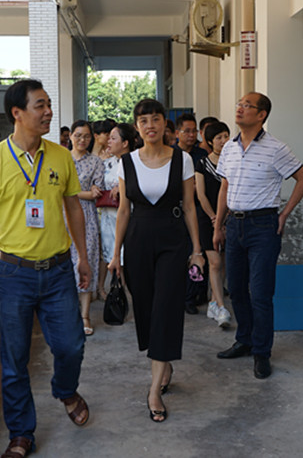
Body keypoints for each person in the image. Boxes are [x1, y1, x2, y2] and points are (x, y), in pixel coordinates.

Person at [0, 79, 92, 458]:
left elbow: (73, 208)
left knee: (71, 344)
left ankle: (65, 389)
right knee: (14, 359)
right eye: (40, 105)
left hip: (58, 271)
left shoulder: (60, 156)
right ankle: (21, 434)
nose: (49, 112)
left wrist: (83, 257)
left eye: (49, 104)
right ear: (17, 113)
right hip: (14, 274)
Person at [108, 98, 205, 423]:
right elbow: (124, 211)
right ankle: (164, 363)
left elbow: (189, 206)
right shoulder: (127, 162)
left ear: (165, 124)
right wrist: (116, 255)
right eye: (143, 121)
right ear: (137, 127)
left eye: (155, 119)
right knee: (147, 309)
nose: (150, 125)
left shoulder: (183, 159)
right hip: (137, 241)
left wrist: (197, 249)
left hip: (173, 241)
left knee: (166, 306)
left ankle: (153, 391)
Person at [213, 92, 303, 380]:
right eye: (239, 104)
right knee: (237, 289)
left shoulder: (276, 148)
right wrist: (218, 226)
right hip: (234, 225)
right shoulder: (229, 148)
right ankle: (244, 340)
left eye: (247, 105)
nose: (240, 108)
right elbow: (224, 187)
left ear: (261, 115)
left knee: (260, 293)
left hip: (263, 227)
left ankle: (262, 352)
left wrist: (284, 214)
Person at [68, 120, 104, 336]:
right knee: (65, 264)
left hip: (87, 216)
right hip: (62, 214)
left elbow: (97, 191)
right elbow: (59, 191)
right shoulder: (61, 159)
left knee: (87, 260)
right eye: (78, 135)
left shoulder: (96, 162)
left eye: (86, 136)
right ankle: (69, 315)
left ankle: (85, 315)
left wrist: (89, 193)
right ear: (70, 136)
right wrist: (84, 193)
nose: (82, 140)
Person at [195, 120, 231, 328]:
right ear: (210, 141)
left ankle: (213, 302)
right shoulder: (202, 164)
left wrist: (224, 218)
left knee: (222, 262)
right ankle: (221, 307)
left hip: (228, 218)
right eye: (219, 137)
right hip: (207, 218)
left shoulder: (233, 162)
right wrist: (214, 217)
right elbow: (200, 195)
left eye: (226, 136)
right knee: (215, 262)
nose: (224, 140)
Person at [96, 123, 137, 300]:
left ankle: (132, 294)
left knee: (129, 259)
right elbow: (97, 183)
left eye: (113, 138)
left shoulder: (137, 163)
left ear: (125, 143)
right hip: (108, 218)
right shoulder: (106, 164)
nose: (108, 141)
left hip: (131, 218)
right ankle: (118, 294)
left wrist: (123, 188)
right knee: (112, 258)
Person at [173, 112, 209, 314]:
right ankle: (184, 296)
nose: (191, 135)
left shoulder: (201, 155)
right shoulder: (170, 155)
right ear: (177, 133)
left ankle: (196, 294)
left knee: (198, 251)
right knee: (181, 255)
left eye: (194, 131)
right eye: (186, 131)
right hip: (177, 211)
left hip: (199, 210)